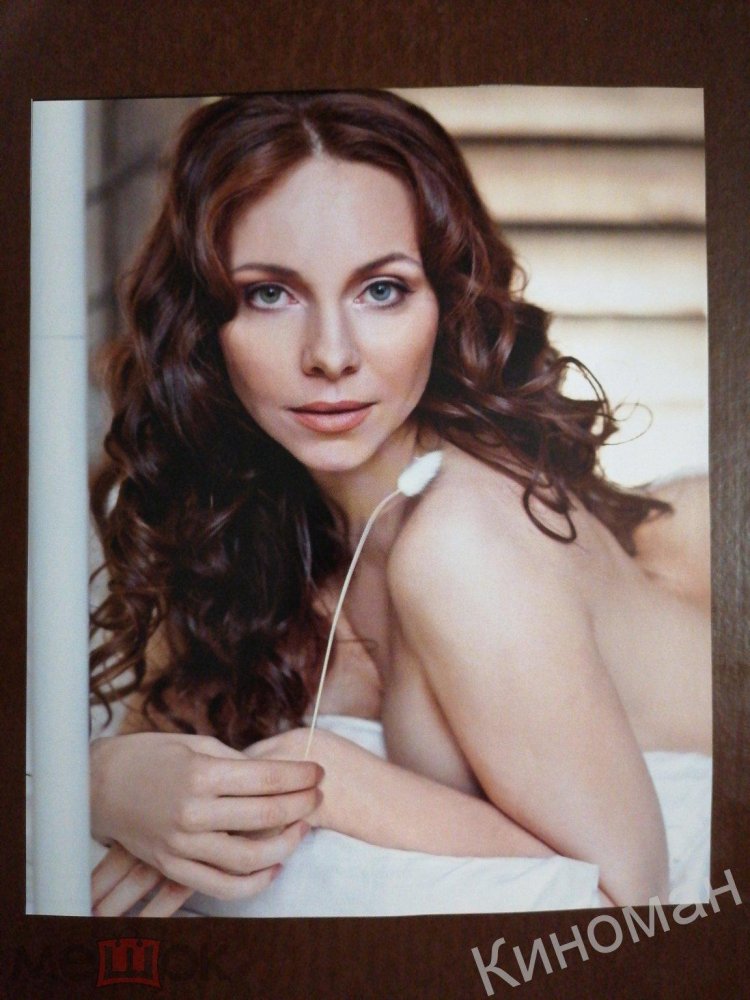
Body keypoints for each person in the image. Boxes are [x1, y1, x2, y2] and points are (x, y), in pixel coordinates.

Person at [88, 90, 711, 918]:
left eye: (381, 289)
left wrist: (323, 777)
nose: (330, 355)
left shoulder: (466, 540)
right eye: (270, 294)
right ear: (204, 323)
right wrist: (105, 781)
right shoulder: (244, 541)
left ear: (446, 304)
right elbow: (156, 734)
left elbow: (629, 895)